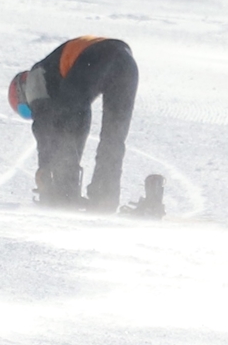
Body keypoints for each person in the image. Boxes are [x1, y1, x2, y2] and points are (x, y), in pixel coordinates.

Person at [8, 36, 138, 213]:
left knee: (67, 129)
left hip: (96, 56)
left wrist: (45, 168)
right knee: (114, 137)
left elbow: (44, 125)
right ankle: (104, 198)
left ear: (21, 90)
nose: (32, 112)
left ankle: (65, 195)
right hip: (127, 63)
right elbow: (79, 114)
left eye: (25, 109)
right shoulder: (64, 80)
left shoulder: (34, 76)